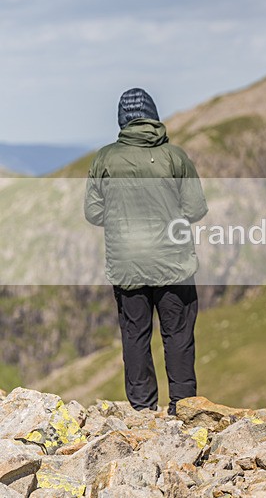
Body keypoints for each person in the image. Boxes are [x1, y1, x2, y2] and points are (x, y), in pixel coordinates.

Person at [84, 88, 208, 416]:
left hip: (127, 264)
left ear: (122, 120)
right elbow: (195, 209)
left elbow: (94, 214)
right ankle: (184, 409)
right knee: (178, 334)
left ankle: (142, 410)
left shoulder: (104, 159)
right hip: (174, 263)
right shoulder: (175, 156)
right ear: (153, 115)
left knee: (135, 335)